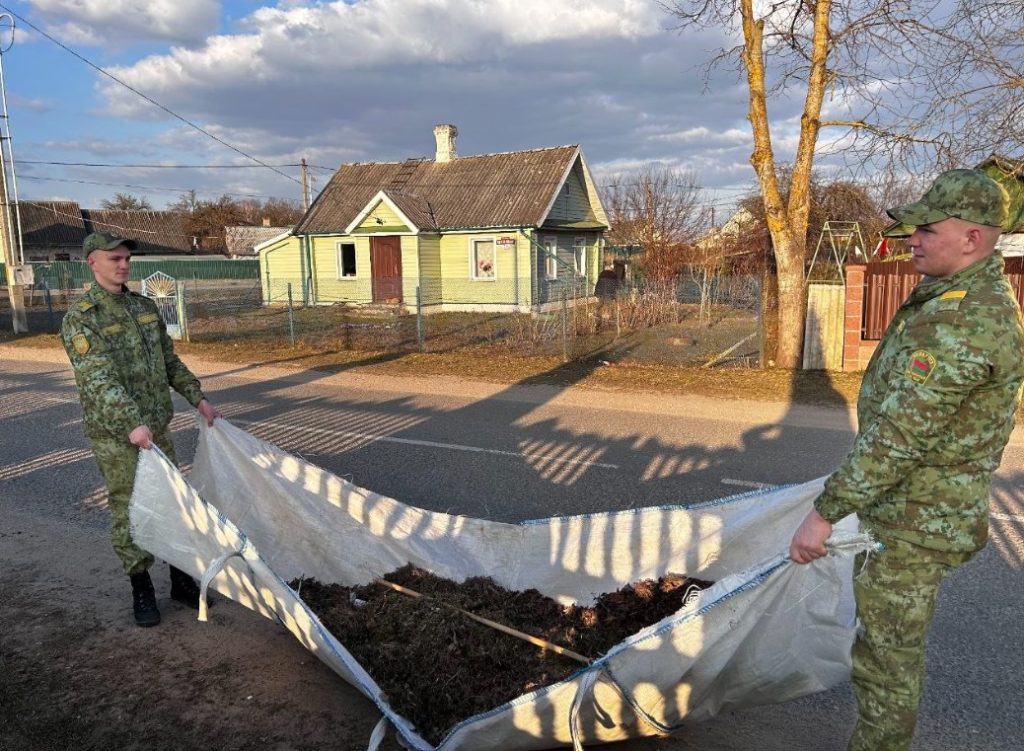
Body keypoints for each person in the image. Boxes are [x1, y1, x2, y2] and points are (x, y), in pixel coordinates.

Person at [789, 169, 1024, 750]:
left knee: (886, 665)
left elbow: (899, 436)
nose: (910, 240)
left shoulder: (966, 320)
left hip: (918, 519)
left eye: (926, 229)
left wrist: (825, 513)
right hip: (910, 508)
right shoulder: (953, 295)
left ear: (972, 238)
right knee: (884, 652)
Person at [61, 230, 221, 628]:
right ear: (91, 262)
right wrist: (132, 423)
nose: (123, 264)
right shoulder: (82, 319)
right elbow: (98, 379)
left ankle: (181, 581)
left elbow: (170, 361)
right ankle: (142, 588)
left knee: (173, 504)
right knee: (130, 511)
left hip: (157, 430)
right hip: (119, 437)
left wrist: (196, 397)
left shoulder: (144, 307)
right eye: (113, 258)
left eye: (126, 258)